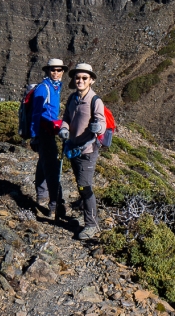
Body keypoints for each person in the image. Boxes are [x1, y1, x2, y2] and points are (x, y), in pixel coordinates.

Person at [58, 62, 107, 240]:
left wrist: (98, 127)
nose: (80, 80)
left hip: (87, 150)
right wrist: (63, 129)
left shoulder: (95, 100)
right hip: (72, 148)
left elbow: (102, 123)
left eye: (84, 78)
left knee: (84, 187)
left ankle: (91, 225)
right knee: (80, 184)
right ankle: (87, 214)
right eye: (77, 77)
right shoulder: (72, 98)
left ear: (91, 80)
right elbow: (66, 118)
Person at [30, 59, 67, 218]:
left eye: (59, 70)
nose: (56, 73)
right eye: (53, 70)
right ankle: (54, 205)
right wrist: (34, 136)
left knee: (44, 161)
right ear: (48, 71)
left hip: (50, 131)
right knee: (52, 167)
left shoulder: (56, 87)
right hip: (43, 133)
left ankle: (41, 196)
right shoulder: (43, 89)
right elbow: (35, 114)